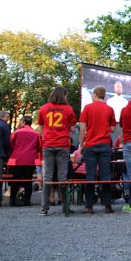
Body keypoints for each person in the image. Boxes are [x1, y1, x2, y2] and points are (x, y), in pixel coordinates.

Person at [37, 85, 77, 216]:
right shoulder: (68, 109)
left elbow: (41, 127)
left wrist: (45, 137)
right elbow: (72, 128)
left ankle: (44, 208)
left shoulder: (43, 108)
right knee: (62, 177)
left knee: (47, 176)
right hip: (62, 144)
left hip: (48, 144)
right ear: (64, 95)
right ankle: (65, 207)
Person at [79, 85, 116, 214]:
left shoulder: (87, 108)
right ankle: (107, 205)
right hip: (105, 145)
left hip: (90, 145)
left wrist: (81, 144)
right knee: (106, 175)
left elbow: (83, 127)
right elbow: (112, 129)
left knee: (90, 175)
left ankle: (88, 206)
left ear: (94, 94)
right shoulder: (110, 109)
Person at [7, 116, 41, 206]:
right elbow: (39, 147)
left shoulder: (16, 132)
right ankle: (27, 201)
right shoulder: (36, 134)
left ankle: (12, 201)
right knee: (28, 180)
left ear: (23, 122)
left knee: (15, 181)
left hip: (16, 160)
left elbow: (10, 145)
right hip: (30, 160)